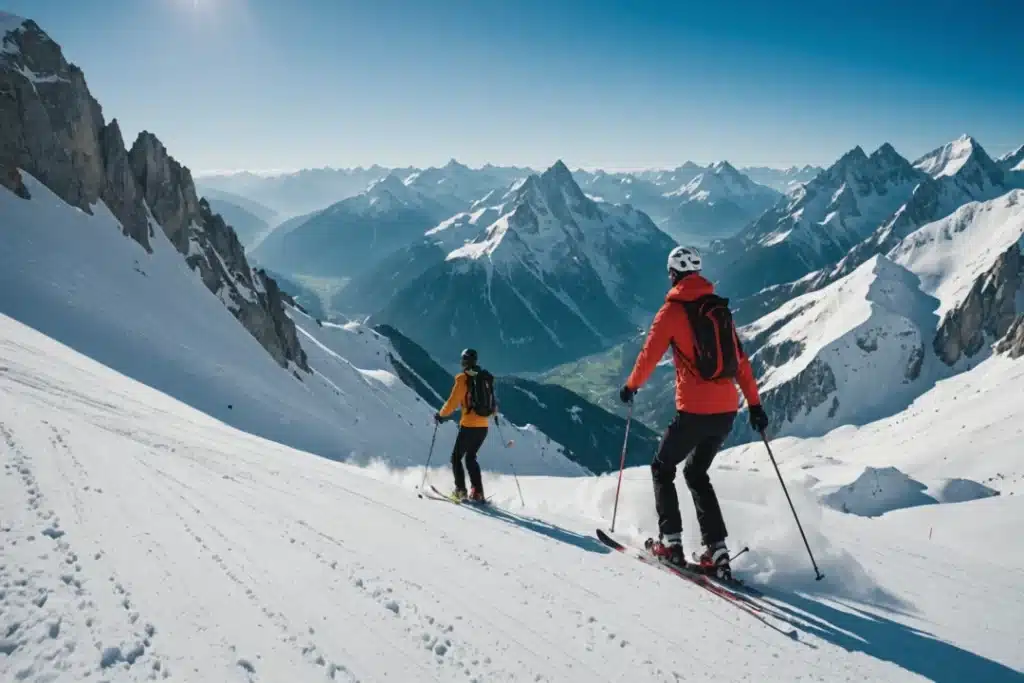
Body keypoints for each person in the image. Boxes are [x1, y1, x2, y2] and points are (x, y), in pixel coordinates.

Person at [619, 245, 769, 578]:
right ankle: (717, 552)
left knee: (662, 468)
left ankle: (671, 544)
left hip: (694, 411)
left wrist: (631, 386)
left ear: (673, 274)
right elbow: (741, 363)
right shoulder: (719, 310)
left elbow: (649, 355)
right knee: (697, 474)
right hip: (727, 411)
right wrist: (755, 405)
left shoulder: (672, 311)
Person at [435, 348, 496, 502]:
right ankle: (477, 492)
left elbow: (452, 402)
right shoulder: (485, 378)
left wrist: (441, 415)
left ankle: (460, 491)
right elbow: (492, 402)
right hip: (483, 426)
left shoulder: (463, 379)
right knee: (471, 458)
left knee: (456, 458)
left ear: (464, 361)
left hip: (469, 426)